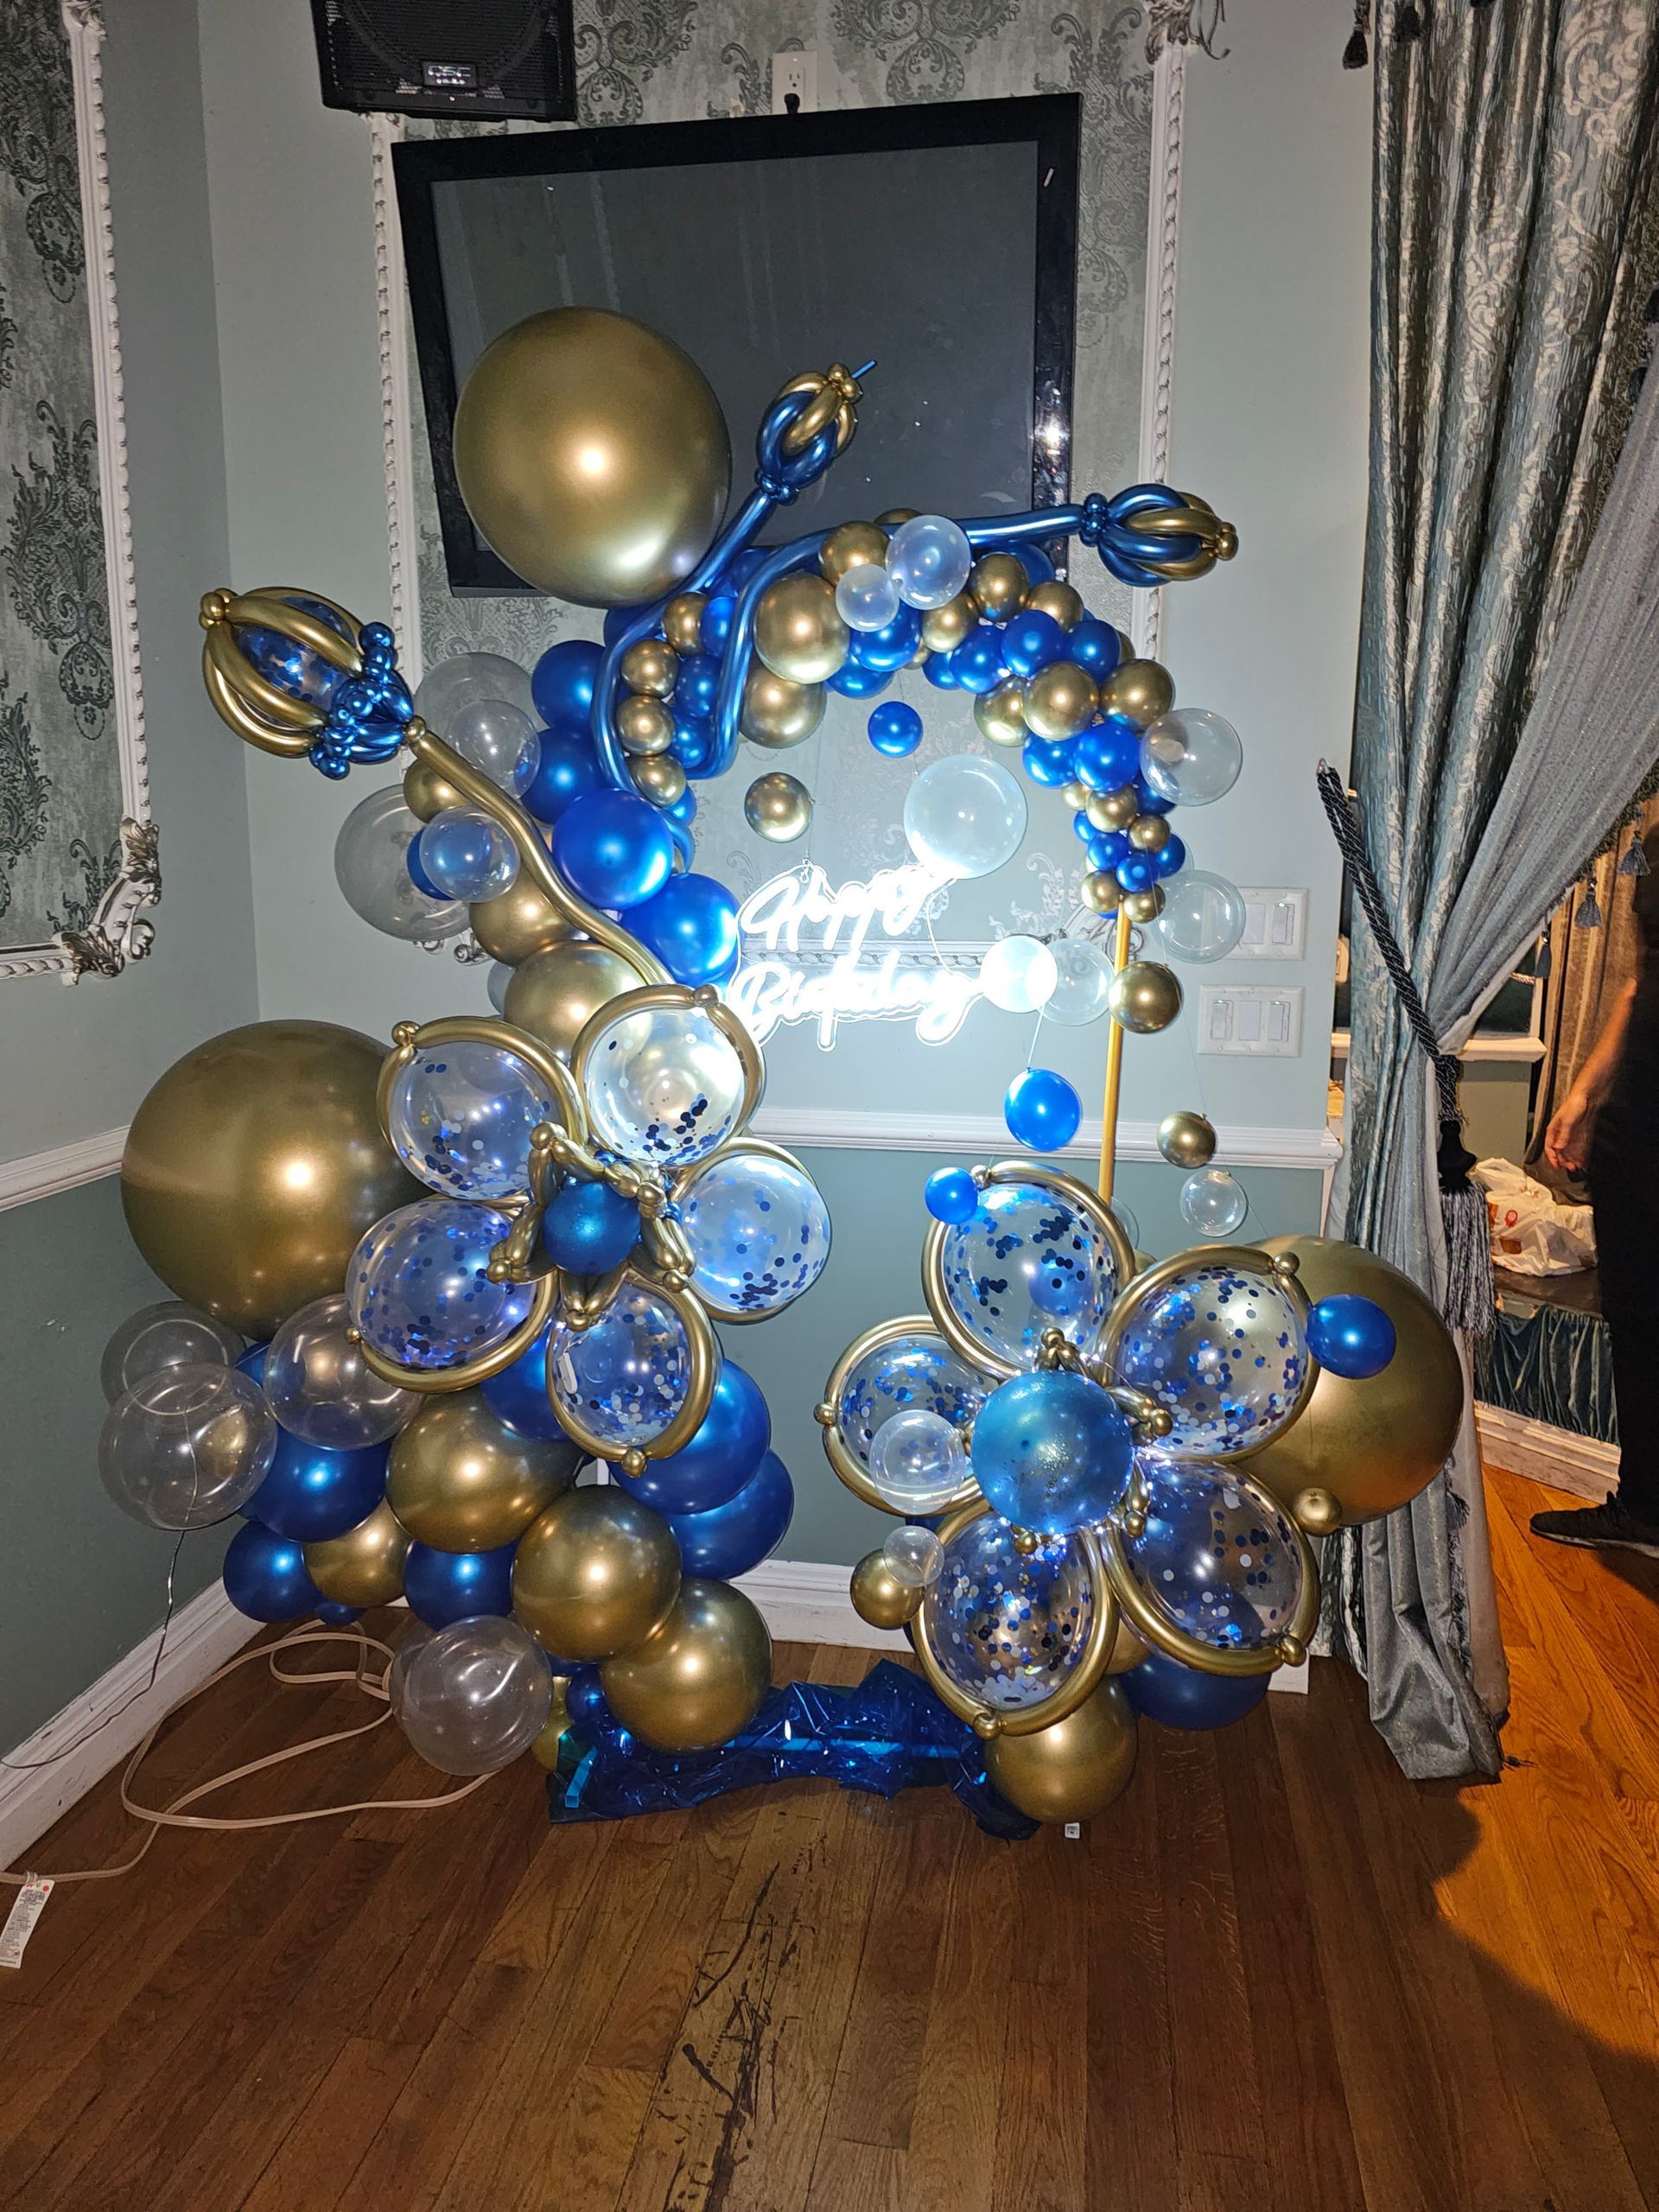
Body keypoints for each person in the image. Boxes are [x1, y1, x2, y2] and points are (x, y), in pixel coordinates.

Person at [1531, 829, 1659, 1558]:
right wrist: (1583, 1093)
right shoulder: (1657, 844)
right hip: (1639, 1121)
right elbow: (1640, 981)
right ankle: (1644, 1508)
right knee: (1636, 1320)